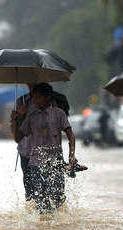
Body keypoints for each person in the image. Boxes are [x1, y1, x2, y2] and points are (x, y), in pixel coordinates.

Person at [11, 83, 77, 214]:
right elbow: (18, 138)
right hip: (36, 163)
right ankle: (43, 228)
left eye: (38, 98)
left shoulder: (59, 114)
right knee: (40, 200)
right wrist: (16, 118)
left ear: (47, 98)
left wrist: (71, 156)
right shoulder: (31, 116)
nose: (35, 101)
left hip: (55, 162)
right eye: (34, 98)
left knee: (58, 198)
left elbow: (71, 136)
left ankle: (53, 227)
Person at [10, 83, 37, 200]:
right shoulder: (21, 101)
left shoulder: (50, 101)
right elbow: (15, 134)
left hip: (44, 149)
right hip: (25, 149)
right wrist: (18, 117)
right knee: (28, 183)